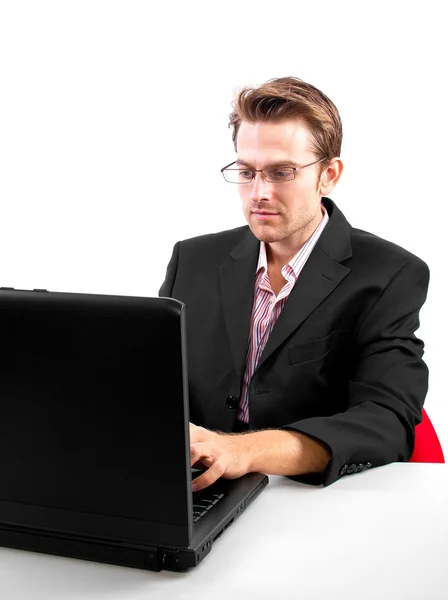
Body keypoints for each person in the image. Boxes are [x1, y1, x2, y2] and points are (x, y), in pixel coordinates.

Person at [159, 76, 429, 492]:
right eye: (246, 172)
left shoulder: (390, 273)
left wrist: (243, 451)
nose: (259, 193)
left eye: (281, 172)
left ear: (329, 175)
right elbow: (154, 385)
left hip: (309, 499)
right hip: (195, 488)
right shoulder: (192, 260)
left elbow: (387, 419)